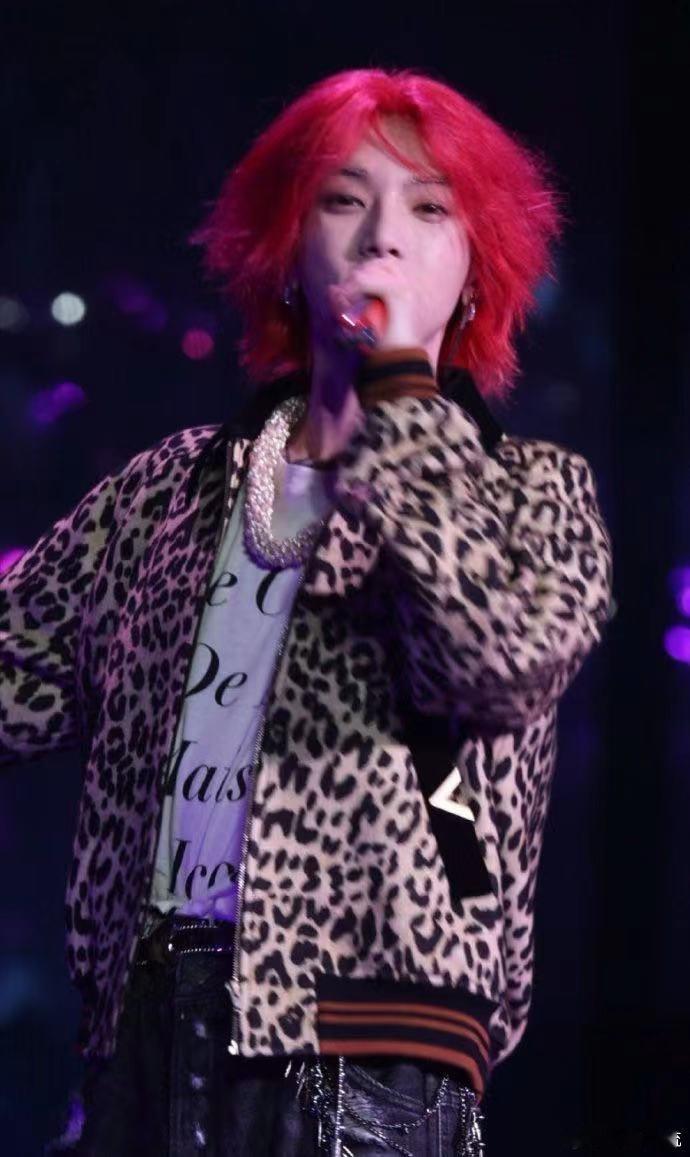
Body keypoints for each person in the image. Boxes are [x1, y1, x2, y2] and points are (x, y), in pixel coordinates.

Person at [0, 68, 613, 1156]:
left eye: (429, 208)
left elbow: (497, 656)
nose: (382, 235)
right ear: (288, 247)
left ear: (476, 273)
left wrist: (402, 394)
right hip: (150, 1028)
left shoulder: (532, 492)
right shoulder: (169, 493)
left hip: (377, 1038)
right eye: (343, 199)